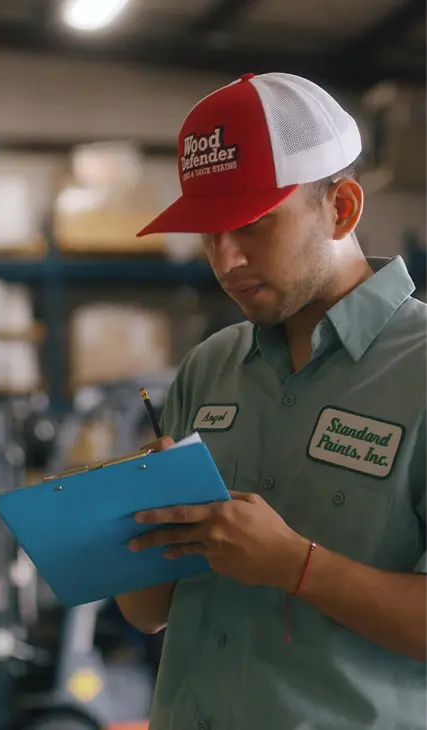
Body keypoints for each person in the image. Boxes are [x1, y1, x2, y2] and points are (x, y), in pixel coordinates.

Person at [116, 71, 427, 729]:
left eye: (252, 225)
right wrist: (134, 518)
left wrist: (297, 567)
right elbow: (147, 614)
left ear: (341, 208)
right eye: (208, 232)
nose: (225, 260)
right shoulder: (210, 367)